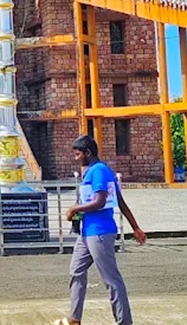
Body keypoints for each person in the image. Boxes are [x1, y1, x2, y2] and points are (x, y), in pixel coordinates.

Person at [57, 135, 146, 325]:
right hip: (87, 232)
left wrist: (74, 209)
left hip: (99, 232)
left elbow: (99, 201)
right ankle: (74, 319)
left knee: (111, 279)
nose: (76, 158)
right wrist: (136, 227)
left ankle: (124, 321)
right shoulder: (96, 171)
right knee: (76, 271)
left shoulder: (99, 171)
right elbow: (119, 202)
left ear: (88, 153)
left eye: (78, 154)